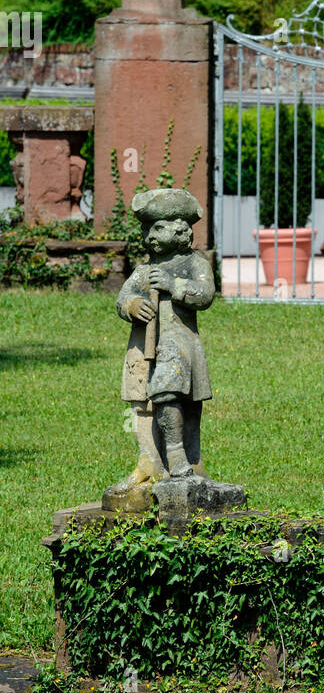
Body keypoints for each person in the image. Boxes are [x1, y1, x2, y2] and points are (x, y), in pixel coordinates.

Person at [105, 188, 214, 504]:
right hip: (144, 348)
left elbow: (205, 295)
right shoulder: (144, 270)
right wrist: (133, 305)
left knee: (178, 398)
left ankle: (183, 458)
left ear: (180, 228)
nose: (148, 235)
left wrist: (174, 285)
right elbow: (122, 299)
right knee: (143, 402)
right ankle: (150, 460)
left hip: (179, 345)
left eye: (157, 227)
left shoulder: (193, 263)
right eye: (145, 229)